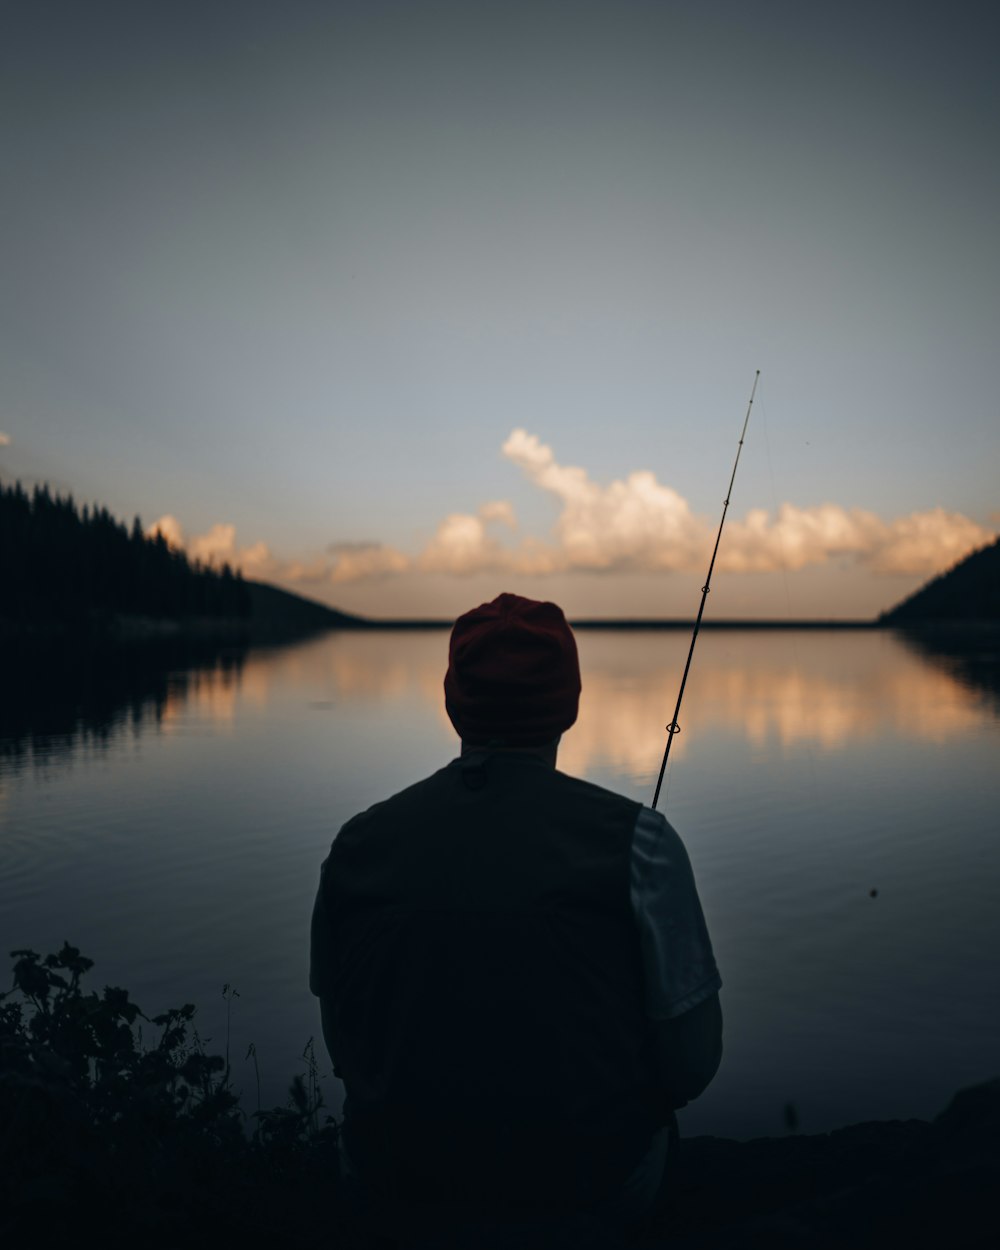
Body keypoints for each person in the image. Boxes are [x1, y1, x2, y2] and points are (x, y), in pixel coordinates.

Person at [310, 593, 722, 1247]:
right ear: (571, 705)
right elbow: (692, 1067)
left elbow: (344, 1046)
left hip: (394, 1190)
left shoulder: (358, 843)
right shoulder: (641, 843)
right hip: (587, 1196)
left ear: (453, 703)